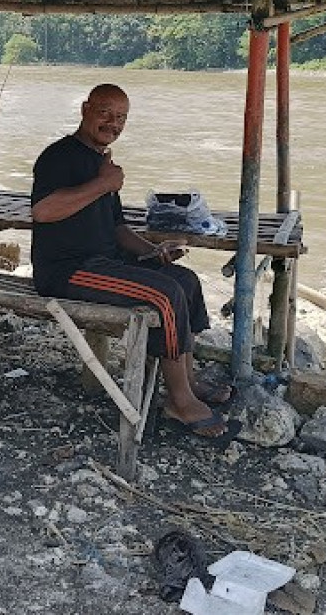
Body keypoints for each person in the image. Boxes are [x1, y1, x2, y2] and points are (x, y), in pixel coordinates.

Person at [30, 83, 240, 444]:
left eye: (121, 118)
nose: (113, 123)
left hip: (103, 262)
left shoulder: (102, 163)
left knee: (185, 280)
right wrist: (101, 184)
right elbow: (43, 211)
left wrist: (153, 252)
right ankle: (179, 402)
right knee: (165, 294)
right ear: (85, 109)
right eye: (105, 113)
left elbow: (116, 227)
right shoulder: (59, 156)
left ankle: (187, 379)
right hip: (67, 271)